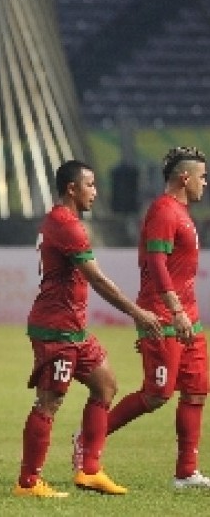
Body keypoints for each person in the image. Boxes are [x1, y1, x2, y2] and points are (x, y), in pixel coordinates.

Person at [14, 160, 162, 498]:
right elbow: (96, 279)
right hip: (57, 330)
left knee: (105, 385)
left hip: (74, 329)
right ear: (72, 188)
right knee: (49, 402)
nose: (96, 192)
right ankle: (28, 482)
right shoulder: (68, 226)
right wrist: (137, 313)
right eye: (91, 185)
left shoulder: (58, 220)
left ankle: (90, 471)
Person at [103, 146, 210, 488]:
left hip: (187, 315)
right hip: (162, 314)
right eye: (202, 177)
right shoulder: (164, 211)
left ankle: (186, 472)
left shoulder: (181, 212)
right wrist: (175, 309)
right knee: (157, 394)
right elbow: (156, 263)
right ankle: (89, 438)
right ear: (185, 177)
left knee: (196, 389)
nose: (204, 183)